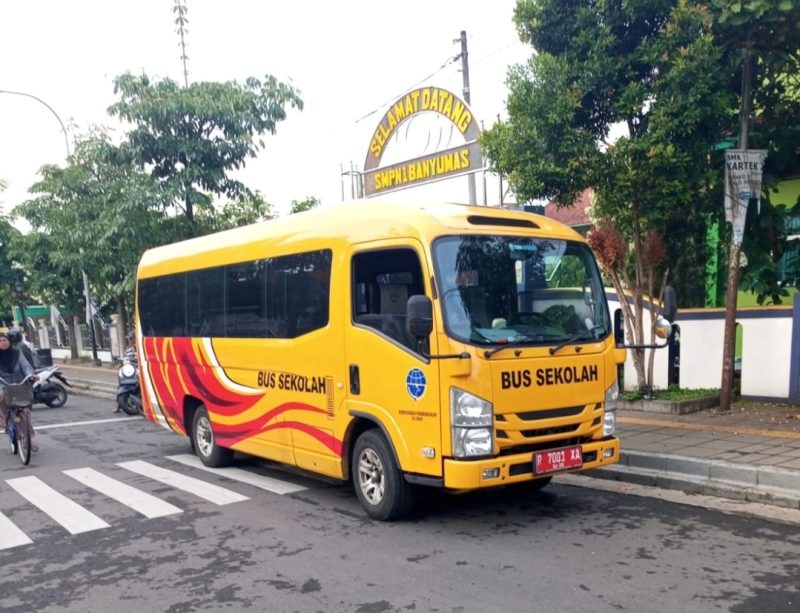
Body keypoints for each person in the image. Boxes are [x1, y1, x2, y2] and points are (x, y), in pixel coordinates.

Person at [0, 330, 39, 451]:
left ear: (9, 341)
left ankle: (31, 438)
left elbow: (26, 366)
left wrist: (30, 375)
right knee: (1, 396)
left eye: (4, 340)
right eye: (0, 341)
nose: (2, 343)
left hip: (19, 384)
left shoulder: (17, 353)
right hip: (3, 385)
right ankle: (4, 419)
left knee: (25, 413)